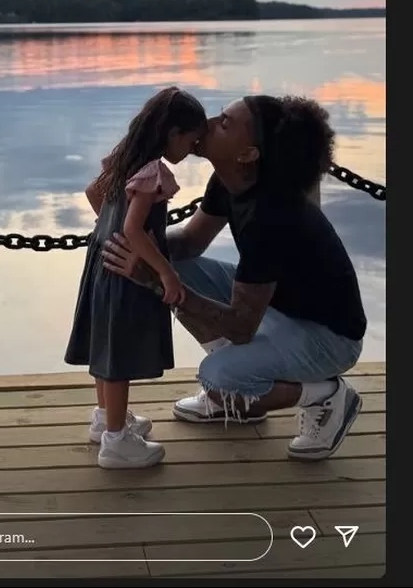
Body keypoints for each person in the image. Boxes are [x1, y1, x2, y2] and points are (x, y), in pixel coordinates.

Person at [102, 95, 367, 461]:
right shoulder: (230, 180)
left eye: (225, 123)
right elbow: (191, 242)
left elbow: (241, 327)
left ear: (247, 154)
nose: (208, 123)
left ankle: (326, 395)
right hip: (278, 311)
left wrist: (153, 279)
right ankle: (238, 396)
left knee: (219, 377)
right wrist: (142, 246)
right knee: (177, 266)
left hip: (328, 339)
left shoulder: (271, 216)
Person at [65, 86, 207, 469]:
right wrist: (166, 272)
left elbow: (93, 192)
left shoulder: (125, 158)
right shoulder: (152, 172)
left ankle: (105, 419)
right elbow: (133, 229)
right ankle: (116, 443)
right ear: (172, 133)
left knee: (106, 344)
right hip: (123, 276)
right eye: (190, 141)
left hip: (101, 263)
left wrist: (106, 227)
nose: (192, 150)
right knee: (120, 355)